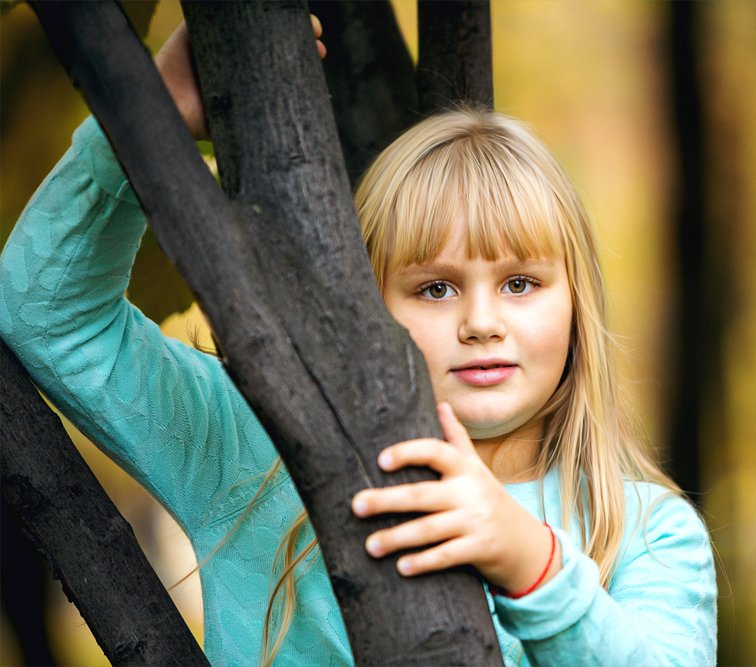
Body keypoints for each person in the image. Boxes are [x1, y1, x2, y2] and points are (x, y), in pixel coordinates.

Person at [0, 18, 717, 667]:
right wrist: (141, 125)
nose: (481, 321)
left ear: (576, 304)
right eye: (435, 287)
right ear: (366, 304)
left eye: (521, 283)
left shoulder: (647, 533)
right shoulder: (256, 451)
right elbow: (44, 312)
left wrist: (532, 562)